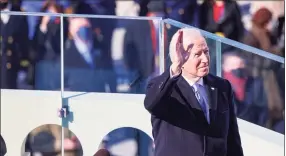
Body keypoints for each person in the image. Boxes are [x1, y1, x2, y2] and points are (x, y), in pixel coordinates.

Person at [144, 28, 243, 156]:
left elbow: (232, 140)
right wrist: (175, 67)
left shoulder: (222, 87)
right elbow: (151, 103)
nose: (205, 59)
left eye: (206, 52)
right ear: (180, 59)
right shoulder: (166, 88)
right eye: (197, 54)